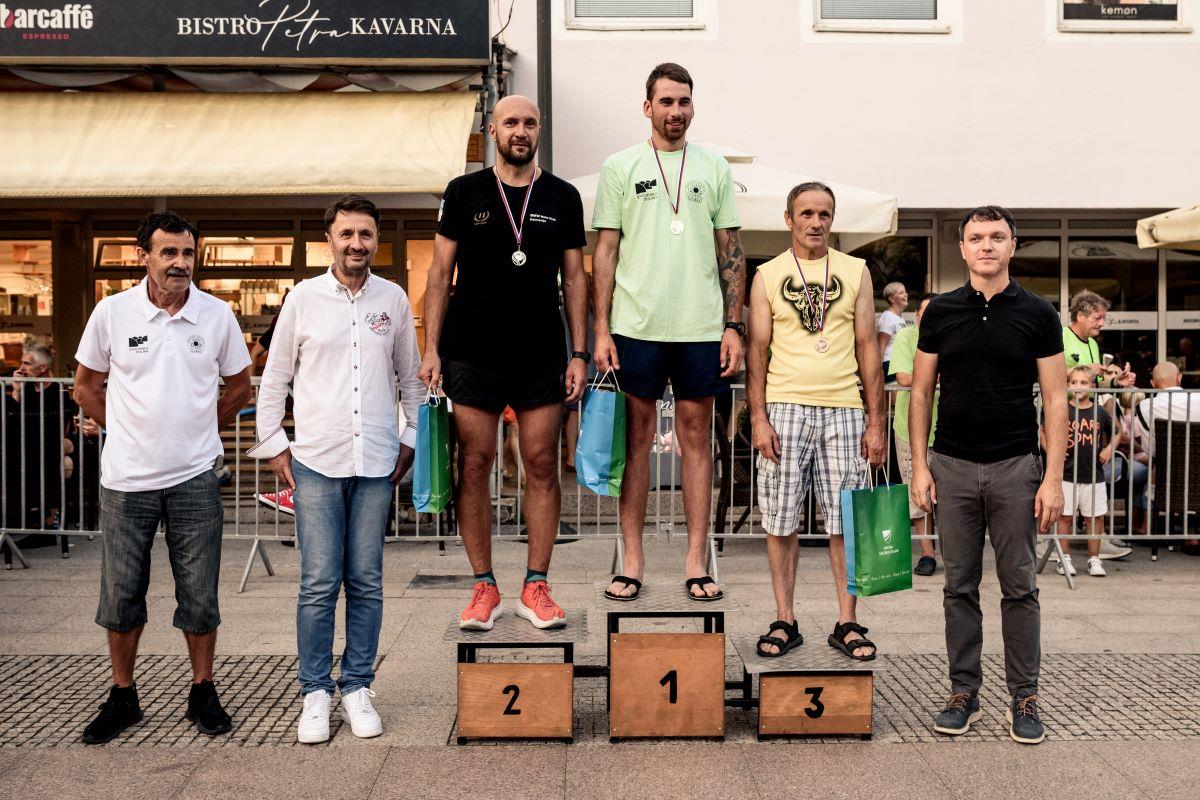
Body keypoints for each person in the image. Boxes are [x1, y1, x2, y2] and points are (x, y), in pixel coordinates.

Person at [72, 211, 253, 744]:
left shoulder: (216, 315)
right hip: (126, 479)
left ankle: (202, 691)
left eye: (188, 253)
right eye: (168, 252)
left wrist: (202, 427)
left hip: (195, 476)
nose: (180, 263)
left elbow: (240, 387)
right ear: (143, 256)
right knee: (121, 593)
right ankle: (122, 696)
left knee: (199, 593)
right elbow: (85, 387)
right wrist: (125, 432)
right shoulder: (112, 312)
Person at [253, 195, 423, 744]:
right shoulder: (302, 299)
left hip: (375, 462)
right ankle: (315, 692)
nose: (356, 243)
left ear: (377, 241)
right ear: (329, 240)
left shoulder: (393, 299)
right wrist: (274, 445)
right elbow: (274, 378)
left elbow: (411, 380)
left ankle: (357, 686)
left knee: (367, 580)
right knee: (319, 582)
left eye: (365, 234)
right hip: (317, 461)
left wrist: (411, 437)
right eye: (346, 234)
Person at [421, 95, 588, 631]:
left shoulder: (562, 196)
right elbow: (438, 275)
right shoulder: (463, 192)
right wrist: (431, 348)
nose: (521, 130)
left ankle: (536, 586)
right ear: (492, 130)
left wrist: (579, 352)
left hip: (540, 352)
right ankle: (484, 587)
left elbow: (575, 279)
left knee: (540, 464)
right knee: (474, 464)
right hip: (472, 352)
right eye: (511, 122)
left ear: (540, 130)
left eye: (530, 123)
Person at [910, 205, 1067, 746]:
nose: (986, 246)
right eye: (976, 237)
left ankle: (1025, 695)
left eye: (997, 236)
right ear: (962, 248)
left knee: (1020, 587)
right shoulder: (940, 312)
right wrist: (919, 466)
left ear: (1012, 245)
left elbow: (1056, 398)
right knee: (959, 586)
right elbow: (921, 392)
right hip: (951, 466)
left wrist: (1052, 478)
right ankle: (963, 692)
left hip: (1015, 467)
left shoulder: (1039, 313)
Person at [592, 62, 745, 602]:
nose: (675, 111)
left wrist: (733, 325)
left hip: (700, 326)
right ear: (647, 107)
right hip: (636, 325)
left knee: (696, 442)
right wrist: (601, 328)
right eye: (666, 101)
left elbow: (731, 251)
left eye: (683, 101)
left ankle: (695, 558)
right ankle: (632, 558)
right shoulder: (620, 166)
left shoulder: (714, 167)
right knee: (636, 443)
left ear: (692, 107)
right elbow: (605, 251)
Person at [746, 181, 887, 660]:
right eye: (806, 213)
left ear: (832, 219)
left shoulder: (856, 270)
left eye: (824, 214)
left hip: (844, 408)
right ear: (789, 219)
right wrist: (758, 417)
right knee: (780, 520)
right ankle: (784, 620)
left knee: (846, 522)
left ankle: (848, 622)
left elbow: (868, 347)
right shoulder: (767, 274)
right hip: (785, 407)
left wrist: (876, 422)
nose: (815, 222)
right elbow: (757, 350)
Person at [1047, 366, 1114, 578]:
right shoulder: (1062, 409)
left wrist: (1109, 449)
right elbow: (1043, 431)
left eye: (1083, 383)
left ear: (1093, 387)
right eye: (1074, 382)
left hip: (1093, 475)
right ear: (1067, 385)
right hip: (1067, 474)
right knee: (1064, 517)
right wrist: (1052, 451)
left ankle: (1094, 559)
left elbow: (1117, 432)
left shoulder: (1100, 412)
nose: (1078, 387)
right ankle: (1063, 558)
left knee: (1094, 518)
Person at [890, 296, 938, 576]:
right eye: (926, 313)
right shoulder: (906, 337)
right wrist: (940, 376)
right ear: (917, 316)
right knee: (917, 492)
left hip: (948, 429)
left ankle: (953, 552)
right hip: (910, 429)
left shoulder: (951, 335)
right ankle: (927, 553)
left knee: (950, 494)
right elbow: (904, 378)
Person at [1063, 289, 1135, 389]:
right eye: (1097, 318)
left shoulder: (1093, 343)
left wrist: (1115, 382)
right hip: (1062, 400)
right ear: (1080, 316)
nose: (1102, 324)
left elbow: (1095, 385)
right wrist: (1087, 370)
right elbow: (1048, 374)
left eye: (1103, 318)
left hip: (1089, 400)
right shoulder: (1060, 336)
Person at [876, 281, 908, 379]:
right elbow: (881, 346)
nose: (906, 294)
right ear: (891, 298)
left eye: (905, 292)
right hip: (889, 364)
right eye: (901, 292)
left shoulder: (899, 318)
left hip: (899, 364)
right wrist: (878, 372)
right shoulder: (888, 318)